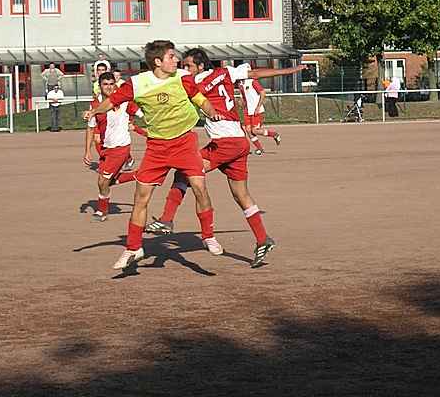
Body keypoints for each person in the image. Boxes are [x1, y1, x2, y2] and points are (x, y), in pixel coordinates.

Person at [148, 50, 304, 267]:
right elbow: (256, 74)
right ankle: (262, 239)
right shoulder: (226, 72)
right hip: (240, 142)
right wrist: (291, 69)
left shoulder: (193, 82)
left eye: (189, 65)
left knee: (184, 172)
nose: (186, 69)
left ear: (200, 66)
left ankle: (167, 219)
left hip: (225, 143)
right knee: (241, 194)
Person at [84, 40, 224, 270]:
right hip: (157, 147)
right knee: (141, 197)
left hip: (184, 142)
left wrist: (212, 112)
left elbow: (201, 100)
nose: (177, 60)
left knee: (199, 187)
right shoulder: (137, 83)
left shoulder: (182, 77)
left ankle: (208, 235)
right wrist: (94, 110)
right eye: (171, 56)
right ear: (158, 62)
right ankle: (133, 247)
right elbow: (112, 101)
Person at [84, 72, 144, 222]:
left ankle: (102, 211)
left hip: (121, 147)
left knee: (102, 181)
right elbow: (90, 128)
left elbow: (143, 114)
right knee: (108, 181)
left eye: (111, 84)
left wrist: (140, 124)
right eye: (105, 84)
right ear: (100, 86)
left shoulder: (124, 101)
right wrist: (87, 151)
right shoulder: (95, 105)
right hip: (106, 148)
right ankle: (137, 175)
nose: (109, 87)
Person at [238, 64, 306, 155]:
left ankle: (274, 134)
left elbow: (262, 93)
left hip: (256, 110)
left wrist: (258, 107)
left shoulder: (253, 81)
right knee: (248, 130)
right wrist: (242, 103)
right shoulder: (240, 84)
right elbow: (244, 97)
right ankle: (259, 149)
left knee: (255, 130)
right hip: (247, 111)